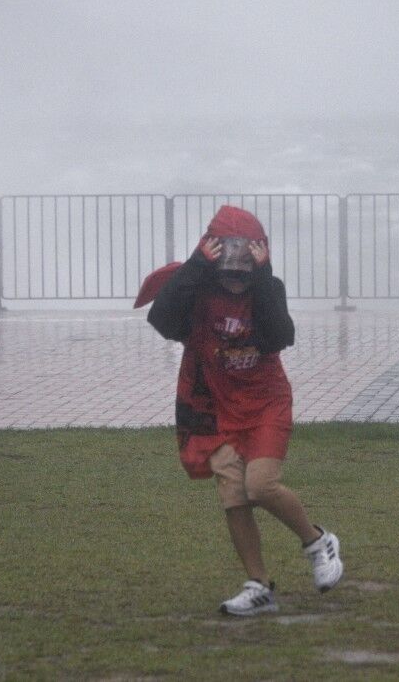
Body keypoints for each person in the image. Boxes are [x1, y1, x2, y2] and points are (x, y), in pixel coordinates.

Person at [138, 204, 342, 616]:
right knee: (233, 493)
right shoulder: (196, 285)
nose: (235, 274)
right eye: (227, 262)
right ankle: (259, 585)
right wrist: (195, 265)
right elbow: (162, 321)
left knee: (260, 486)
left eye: (244, 261)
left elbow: (278, 337)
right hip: (215, 403)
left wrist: (263, 278)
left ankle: (318, 541)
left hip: (265, 403)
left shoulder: (268, 286)